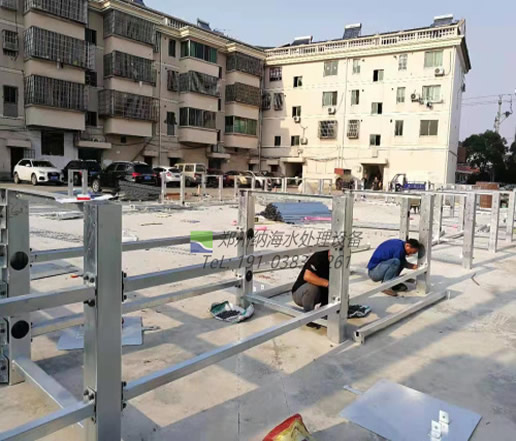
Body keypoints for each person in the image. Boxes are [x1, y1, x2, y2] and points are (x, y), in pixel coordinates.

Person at [292, 250, 370, 318]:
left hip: (319, 293)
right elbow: (307, 276)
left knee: (339, 290)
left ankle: (325, 310)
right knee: (312, 288)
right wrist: (328, 284)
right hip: (301, 293)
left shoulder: (339, 262)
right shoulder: (319, 256)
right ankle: (309, 317)